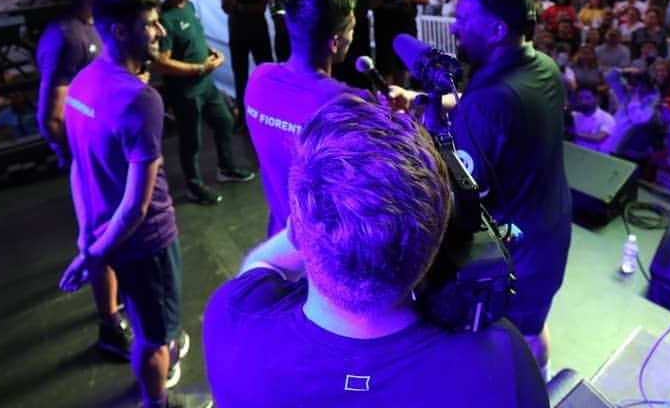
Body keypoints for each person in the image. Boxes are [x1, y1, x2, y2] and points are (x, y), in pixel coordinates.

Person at [203, 95, 548, 407]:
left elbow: (260, 265)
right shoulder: (502, 362)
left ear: (295, 229)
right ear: (437, 243)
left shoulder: (232, 320)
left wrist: (298, 230)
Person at [57, 0, 190, 408]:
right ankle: (158, 401)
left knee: (143, 315)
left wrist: (88, 240)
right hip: (147, 244)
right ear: (118, 31)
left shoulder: (82, 81)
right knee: (153, 339)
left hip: (104, 234)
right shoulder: (140, 99)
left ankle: (162, 341)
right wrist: (92, 255)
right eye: (150, 25)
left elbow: (78, 167)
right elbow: (138, 205)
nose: (160, 34)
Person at [444, 0, 571, 377]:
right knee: (532, 330)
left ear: (497, 30)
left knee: (506, 347)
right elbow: (497, 110)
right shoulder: (543, 66)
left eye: (464, 19)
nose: (453, 27)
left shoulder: (489, 103)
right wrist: (429, 102)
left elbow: (462, 191)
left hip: (513, 251)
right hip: (549, 233)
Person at [36, 0, 132, 359]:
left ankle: (118, 305)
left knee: (120, 234)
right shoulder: (66, 36)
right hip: (93, 165)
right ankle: (110, 326)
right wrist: (79, 161)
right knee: (101, 239)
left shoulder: (101, 24)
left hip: (112, 158)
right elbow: (51, 116)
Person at [244, 0, 365, 236]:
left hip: (280, 239)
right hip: (329, 250)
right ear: (335, 42)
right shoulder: (347, 103)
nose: (353, 37)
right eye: (352, 29)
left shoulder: (258, 80)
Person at [154, 0, 255, 206]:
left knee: (224, 120)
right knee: (192, 140)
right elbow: (161, 62)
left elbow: (194, 38)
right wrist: (199, 67)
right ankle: (194, 185)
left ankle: (226, 168)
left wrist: (210, 53)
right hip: (186, 91)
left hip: (205, 83)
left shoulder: (187, 7)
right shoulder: (164, 19)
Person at [221, 0, 273, 120]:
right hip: (237, 34)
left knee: (265, 72)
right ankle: (244, 117)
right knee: (240, 76)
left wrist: (241, 7)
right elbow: (226, 7)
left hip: (258, 33)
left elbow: (261, 7)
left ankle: (270, 111)